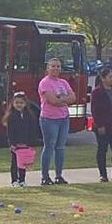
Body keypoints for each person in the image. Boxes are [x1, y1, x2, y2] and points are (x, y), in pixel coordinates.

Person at [38, 57, 75, 185]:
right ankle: (45, 176)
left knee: (60, 148)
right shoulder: (45, 83)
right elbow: (52, 101)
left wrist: (61, 99)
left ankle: (59, 175)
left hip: (63, 118)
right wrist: (64, 100)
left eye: (58, 66)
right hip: (49, 119)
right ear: (48, 68)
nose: (56, 68)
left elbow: (73, 97)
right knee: (49, 146)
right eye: (53, 66)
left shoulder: (63, 82)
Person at [3, 91, 35, 186]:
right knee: (14, 162)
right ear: (13, 104)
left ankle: (22, 180)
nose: (19, 105)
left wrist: (31, 142)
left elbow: (31, 129)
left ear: (25, 104)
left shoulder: (28, 115)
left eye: (21, 103)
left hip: (25, 143)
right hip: (15, 144)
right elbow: (10, 132)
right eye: (16, 103)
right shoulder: (11, 116)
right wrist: (11, 143)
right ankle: (14, 180)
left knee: (23, 162)